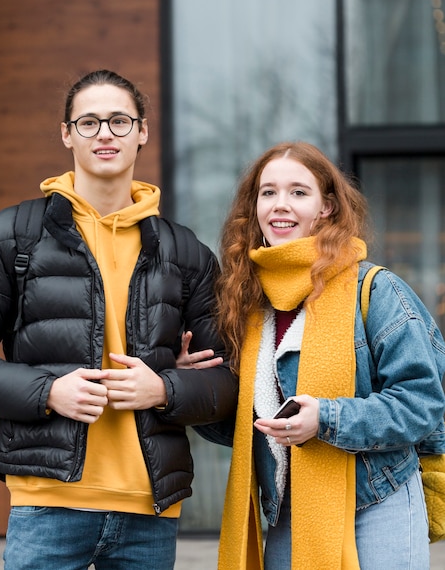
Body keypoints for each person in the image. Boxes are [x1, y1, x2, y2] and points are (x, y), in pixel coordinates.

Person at [0, 69, 238, 570]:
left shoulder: (185, 252)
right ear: (66, 134)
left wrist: (166, 390)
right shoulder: (14, 235)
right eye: (89, 122)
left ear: (142, 132)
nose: (105, 133)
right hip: (47, 504)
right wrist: (47, 392)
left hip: (150, 509)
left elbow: (231, 379)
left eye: (119, 121)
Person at [184, 141, 445, 569]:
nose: (279, 205)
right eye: (267, 192)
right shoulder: (248, 304)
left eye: (298, 192)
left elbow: (422, 405)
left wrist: (326, 420)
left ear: (326, 207)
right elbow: (244, 430)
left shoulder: (376, 291)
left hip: (379, 502)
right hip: (290, 509)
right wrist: (192, 385)